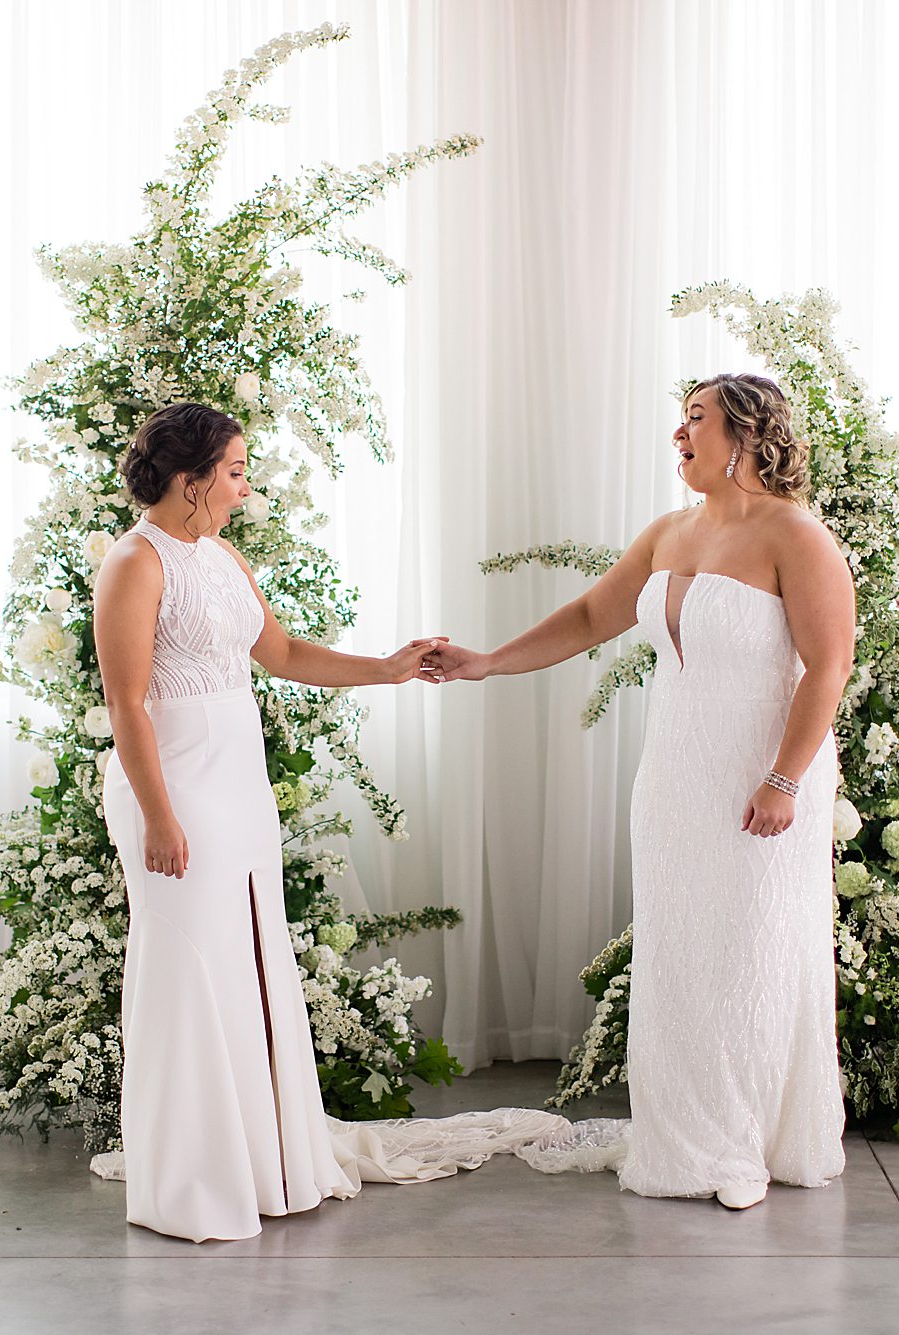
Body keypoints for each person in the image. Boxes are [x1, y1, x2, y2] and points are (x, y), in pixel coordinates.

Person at [88, 401, 563, 1242]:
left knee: (246, 965)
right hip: (177, 787)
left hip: (239, 786)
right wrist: (158, 815)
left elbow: (283, 654)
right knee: (189, 969)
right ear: (190, 478)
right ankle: (193, 1180)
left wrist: (387, 669)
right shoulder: (135, 561)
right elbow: (125, 700)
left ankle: (259, 1162)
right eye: (233, 470)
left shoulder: (220, 554)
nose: (244, 484)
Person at [427, 373, 857, 1209]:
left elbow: (827, 666)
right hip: (676, 772)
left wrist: (783, 777)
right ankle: (688, 1139)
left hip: (764, 772)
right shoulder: (669, 532)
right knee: (682, 952)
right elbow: (592, 617)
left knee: (753, 950)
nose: (679, 435)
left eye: (694, 420)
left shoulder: (795, 535)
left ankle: (748, 1142)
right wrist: (485, 661)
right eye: (680, 420)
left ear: (744, 434)